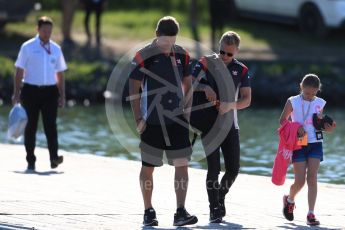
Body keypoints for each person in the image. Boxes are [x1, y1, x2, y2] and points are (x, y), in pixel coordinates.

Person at [128, 16, 198, 227]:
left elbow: (188, 83)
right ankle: (148, 211)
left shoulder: (182, 54)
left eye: (172, 42)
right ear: (157, 35)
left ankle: (180, 212)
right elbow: (133, 88)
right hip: (151, 120)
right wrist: (138, 118)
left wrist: (187, 110)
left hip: (177, 120)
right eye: (165, 42)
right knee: (148, 166)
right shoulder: (143, 56)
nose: (169, 47)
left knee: (182, 164)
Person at [191, 31, 251, 223]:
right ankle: (214, 209)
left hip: (230, 124)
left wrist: (230, 105)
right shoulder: (205, 62)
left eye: (229, 54)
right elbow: (188, 84)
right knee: (214, 169)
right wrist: (204, 87)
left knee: (233, 169)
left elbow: (247, 99)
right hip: (208, 124)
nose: (225, 57)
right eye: (222, 52)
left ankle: (220, 197)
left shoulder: (241, 70)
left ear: (236, 52)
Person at [279, 74, 335, 226]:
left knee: (312, 178)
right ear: (301, 87)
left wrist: (327, 127)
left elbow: (319, 122)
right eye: (307, 93)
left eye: (313, 93)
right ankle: (289, 199)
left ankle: (311, 213)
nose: (310, 96)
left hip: (316, 143)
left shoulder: (320, 102)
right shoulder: (293, 101)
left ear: (318, 90)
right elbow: (282, 120)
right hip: (298, 144)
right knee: (299, 181)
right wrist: (296, 128)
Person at [12, 16, 67, 171]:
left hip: (50, 92)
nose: (47, 33)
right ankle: (31, 160)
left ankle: (54, 158)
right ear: (38, 29)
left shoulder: (56, 48)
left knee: (51, 126)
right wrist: (16, 93)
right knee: (30, 127)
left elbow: (60, 73)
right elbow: (19, 70)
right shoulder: (27, 47)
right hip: (30, 91)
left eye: (49, 31)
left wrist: (62, 95)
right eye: (44, 30)